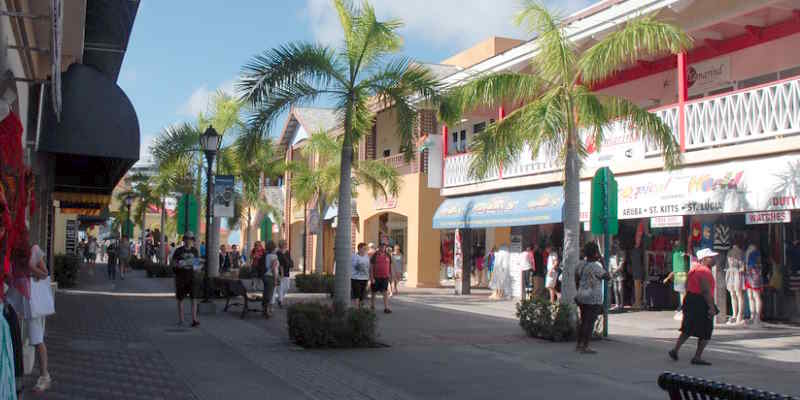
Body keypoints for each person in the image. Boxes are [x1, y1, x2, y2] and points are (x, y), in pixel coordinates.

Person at [7, 243, 52, 392]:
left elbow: (45, 274)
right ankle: (14, 375)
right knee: (14, 338)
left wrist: (31, 268)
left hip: (32, 301)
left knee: (36, 338)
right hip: (15, 299)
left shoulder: (34, 249)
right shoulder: (10, 249)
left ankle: (44, 376)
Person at [669, 248, 718, 366]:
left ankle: (675, 349)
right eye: (711, 257)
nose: (714, 259)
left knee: (687, 327)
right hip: (700, 301)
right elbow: (706, 290)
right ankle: (697, 356)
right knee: (706, 330)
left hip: (690, 298)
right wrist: (711, 307)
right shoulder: (704, 271)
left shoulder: (693, 270)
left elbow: (686, 285)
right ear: (704, 259)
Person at [574, 242, 609, 354]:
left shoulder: (580, 264)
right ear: (595, 253)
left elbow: (576, 278)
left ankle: (579, 344)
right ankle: (586, 346)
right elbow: (608, 276)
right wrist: (603, 262)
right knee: (590, 322)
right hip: (593, 298)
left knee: (583, 320)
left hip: (581, 296)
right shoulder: (596, 267)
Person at [171, 232, 200, 327]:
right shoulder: (178, 251)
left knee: (194, 298)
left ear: (192, 240)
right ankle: (181, 320)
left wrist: (197, 268)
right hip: (181, 278)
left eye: (190, 239)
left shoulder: (195, 251)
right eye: (187, 238)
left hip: (192, 278)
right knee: (180, 299)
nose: (188, 240)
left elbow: (196, 265)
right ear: (184, 240)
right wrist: (180, 265)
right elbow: (173, 263)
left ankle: (194, 320)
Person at [663, 241, 688, 321]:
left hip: (680, 277)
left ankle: (683, 311)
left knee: (682, 295)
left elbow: (675, 270)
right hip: (682, 276)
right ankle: (683, 310)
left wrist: (667, 278)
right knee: (683, 295)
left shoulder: (676, 255)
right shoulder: (680, 255)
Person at [744, 242, 764, 326]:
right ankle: (753, 316)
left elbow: (753, 265)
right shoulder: (750, 253)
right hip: (750, 276)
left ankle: (757, 316)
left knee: (755, 296)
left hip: (754, 276)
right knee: (751, 296)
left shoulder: (754, 253)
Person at [370, 244, 392, 313]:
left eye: (384, 247)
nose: (383, 248)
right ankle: (372, 305)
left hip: (385, 277)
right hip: (376, 277)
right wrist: (371, 277)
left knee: (385, 292)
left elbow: (390, 266)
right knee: (374, 292)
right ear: (379, 247)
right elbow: (371, 267)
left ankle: (386, 307)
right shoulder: (374, 255)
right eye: (381, 247)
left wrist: (390, 275)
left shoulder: (388, 255)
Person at [261, 240, 279, 318]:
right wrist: (275, 279)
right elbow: (273, 268)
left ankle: (264, 309)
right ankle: (267, 311)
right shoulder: (274, 256)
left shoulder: (267, 255)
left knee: (265, 293)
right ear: (273, 248)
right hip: (271, 276)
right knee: (269, 295)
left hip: (265, 275)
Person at [352, 243, 370, 308]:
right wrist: (360, 266)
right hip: (356, 278)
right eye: (364, 248)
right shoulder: (354, 256)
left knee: (362, 295)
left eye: (366, 249)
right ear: (359, 249)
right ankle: (356, 308)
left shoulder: (367, 257)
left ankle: (360, 308)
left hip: (364, 278)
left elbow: (368, 267)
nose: (365, 250)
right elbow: (355, 266)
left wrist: (369, 278)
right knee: (357, 294)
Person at [276, 240, 293, 308]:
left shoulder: (287, 252)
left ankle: (280, 298)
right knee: (280, 288)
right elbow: (280, 264)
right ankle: (280, 301)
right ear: (281, 245)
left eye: (286, 244)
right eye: (285, 244)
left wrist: (290, 264)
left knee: (287, 287)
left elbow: (289, 260)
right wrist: (281, 272)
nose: (286, 245)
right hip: (280, 272)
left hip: (287, 272)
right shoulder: (278, 253)